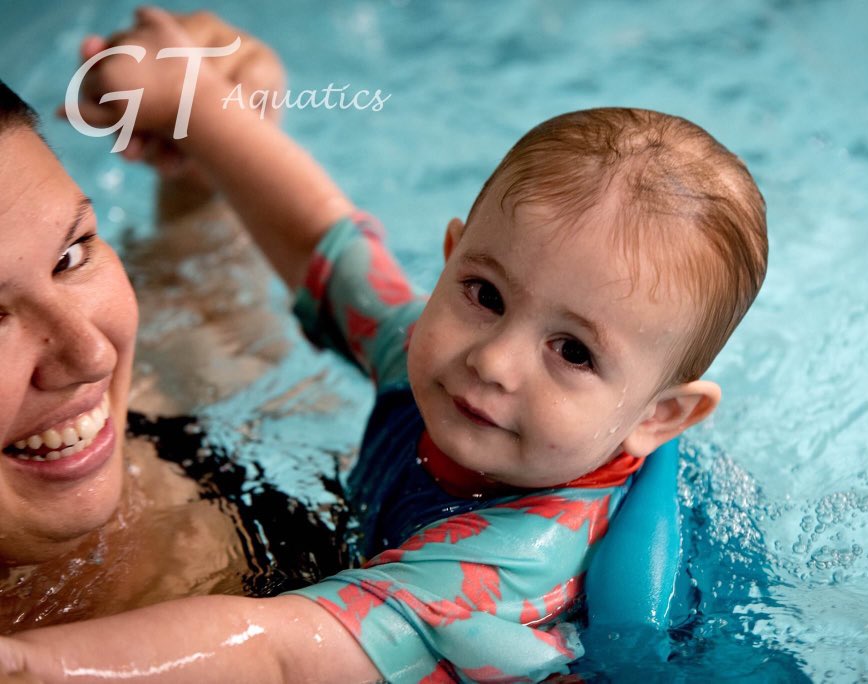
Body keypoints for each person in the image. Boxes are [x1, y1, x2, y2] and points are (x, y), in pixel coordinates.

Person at [0, 6, 767, 683]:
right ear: (453, 258)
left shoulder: (516, 559)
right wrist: (196, 103)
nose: (494, 361)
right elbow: (322, 246)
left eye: (573, 353)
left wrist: (29, 663)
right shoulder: (447, 354)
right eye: (487, 295)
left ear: (661, 416)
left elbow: (279, 653)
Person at [0, 13, 342, 638]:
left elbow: (207, 300)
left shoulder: (157, 409)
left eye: (70, 254)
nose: (92, 356)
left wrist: (211, 157)